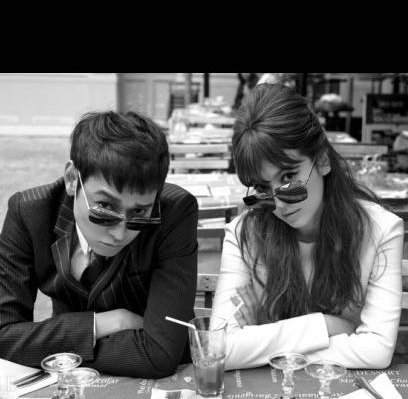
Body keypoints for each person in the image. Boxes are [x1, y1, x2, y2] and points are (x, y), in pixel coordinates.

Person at [212, 83, 404, 370]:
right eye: (263, 188)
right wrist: (328, 326)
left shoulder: (381, 230)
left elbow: (376, 351)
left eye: (289, 177)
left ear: (322, 160)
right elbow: (219, 349)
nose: (280, 203)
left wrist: (258, 340)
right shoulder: (244, 234)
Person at [0, 111, 199, 378]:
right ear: (72, 179)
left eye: (140, 213)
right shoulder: (29, 213)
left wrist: (45, 348)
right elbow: (3, 334)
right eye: (104, 207)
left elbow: (161, 354)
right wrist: (103, 323)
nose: (119, 233)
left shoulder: (175, 212)